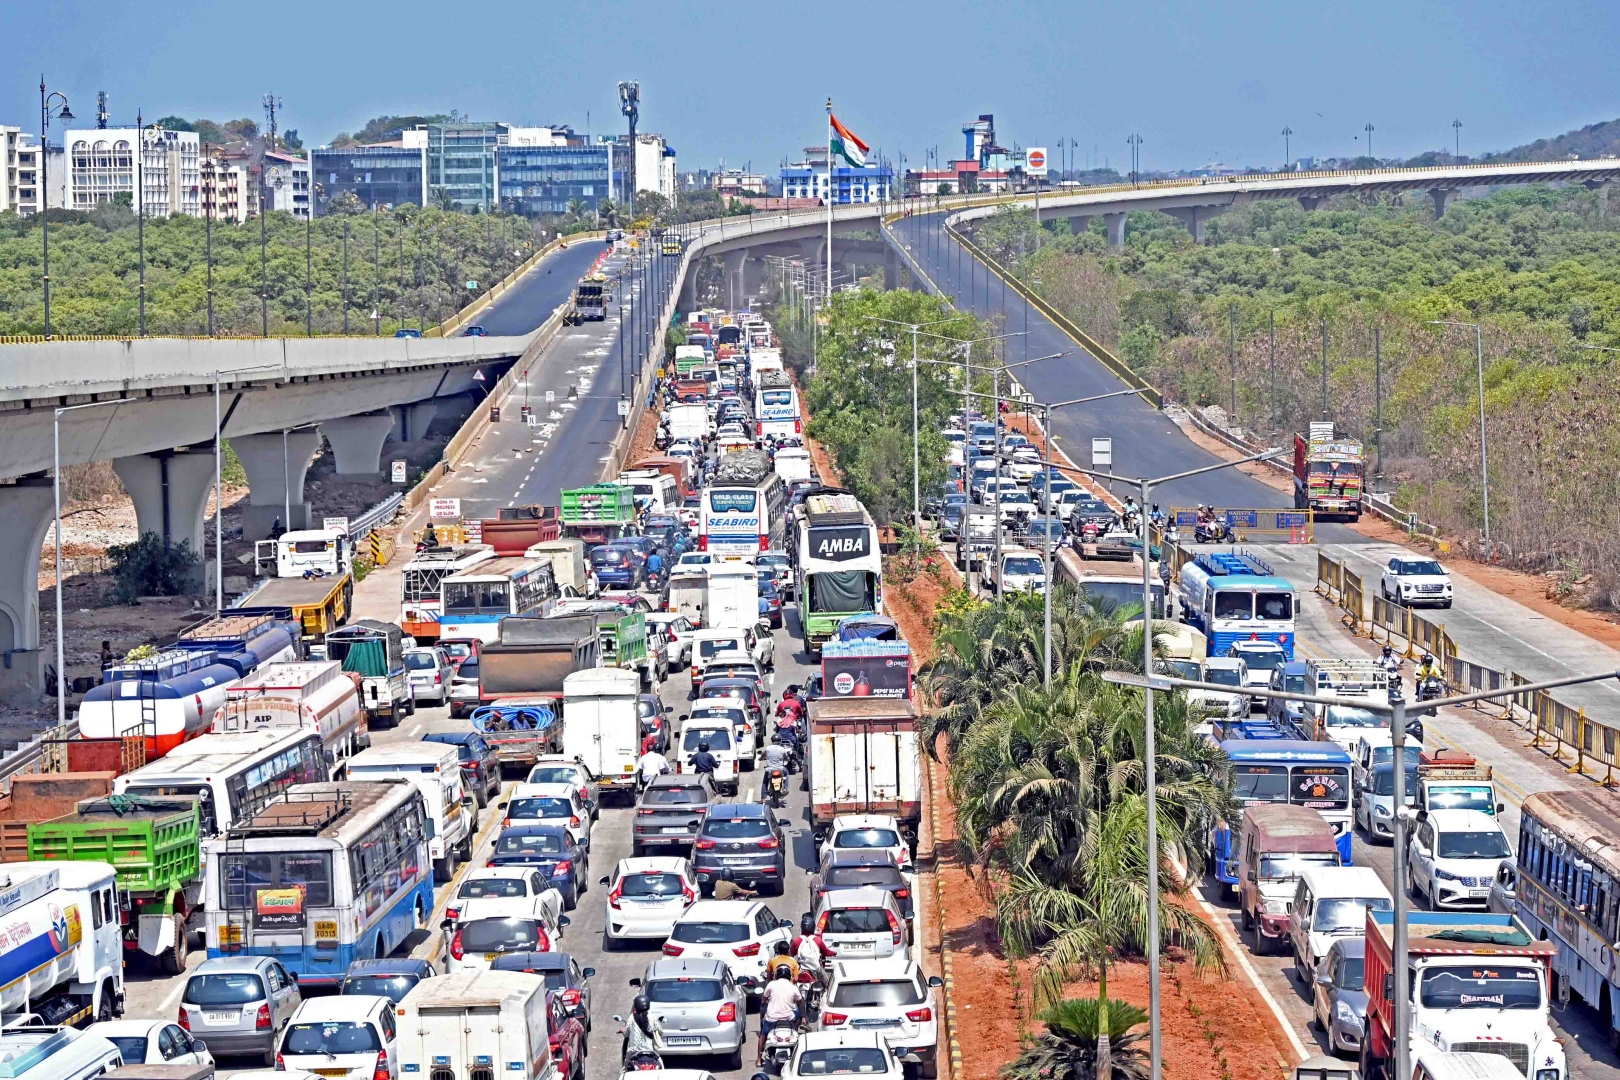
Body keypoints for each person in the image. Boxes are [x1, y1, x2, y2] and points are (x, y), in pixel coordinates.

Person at [757, 966, 804, 1065]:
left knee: (763, 1034)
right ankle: (794, 1030)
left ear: (777, 975)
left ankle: (759, 1059)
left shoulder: (771, 984)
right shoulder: (793, 987)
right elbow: (800, 1002)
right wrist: (803, 1017)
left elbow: (763, 1001)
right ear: (789, 976)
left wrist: (762, 1014)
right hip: (788, 1019)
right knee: (799, 1015)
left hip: (772, 1019)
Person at [622, 994, 658, 1062]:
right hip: (649, 1051)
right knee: (660, 1064)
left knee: (624, 1069)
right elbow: (659, 1030)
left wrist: (623, 1031)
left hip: (633, 1051)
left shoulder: (632, 1017)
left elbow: (626, 1034)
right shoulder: (652, 1017)